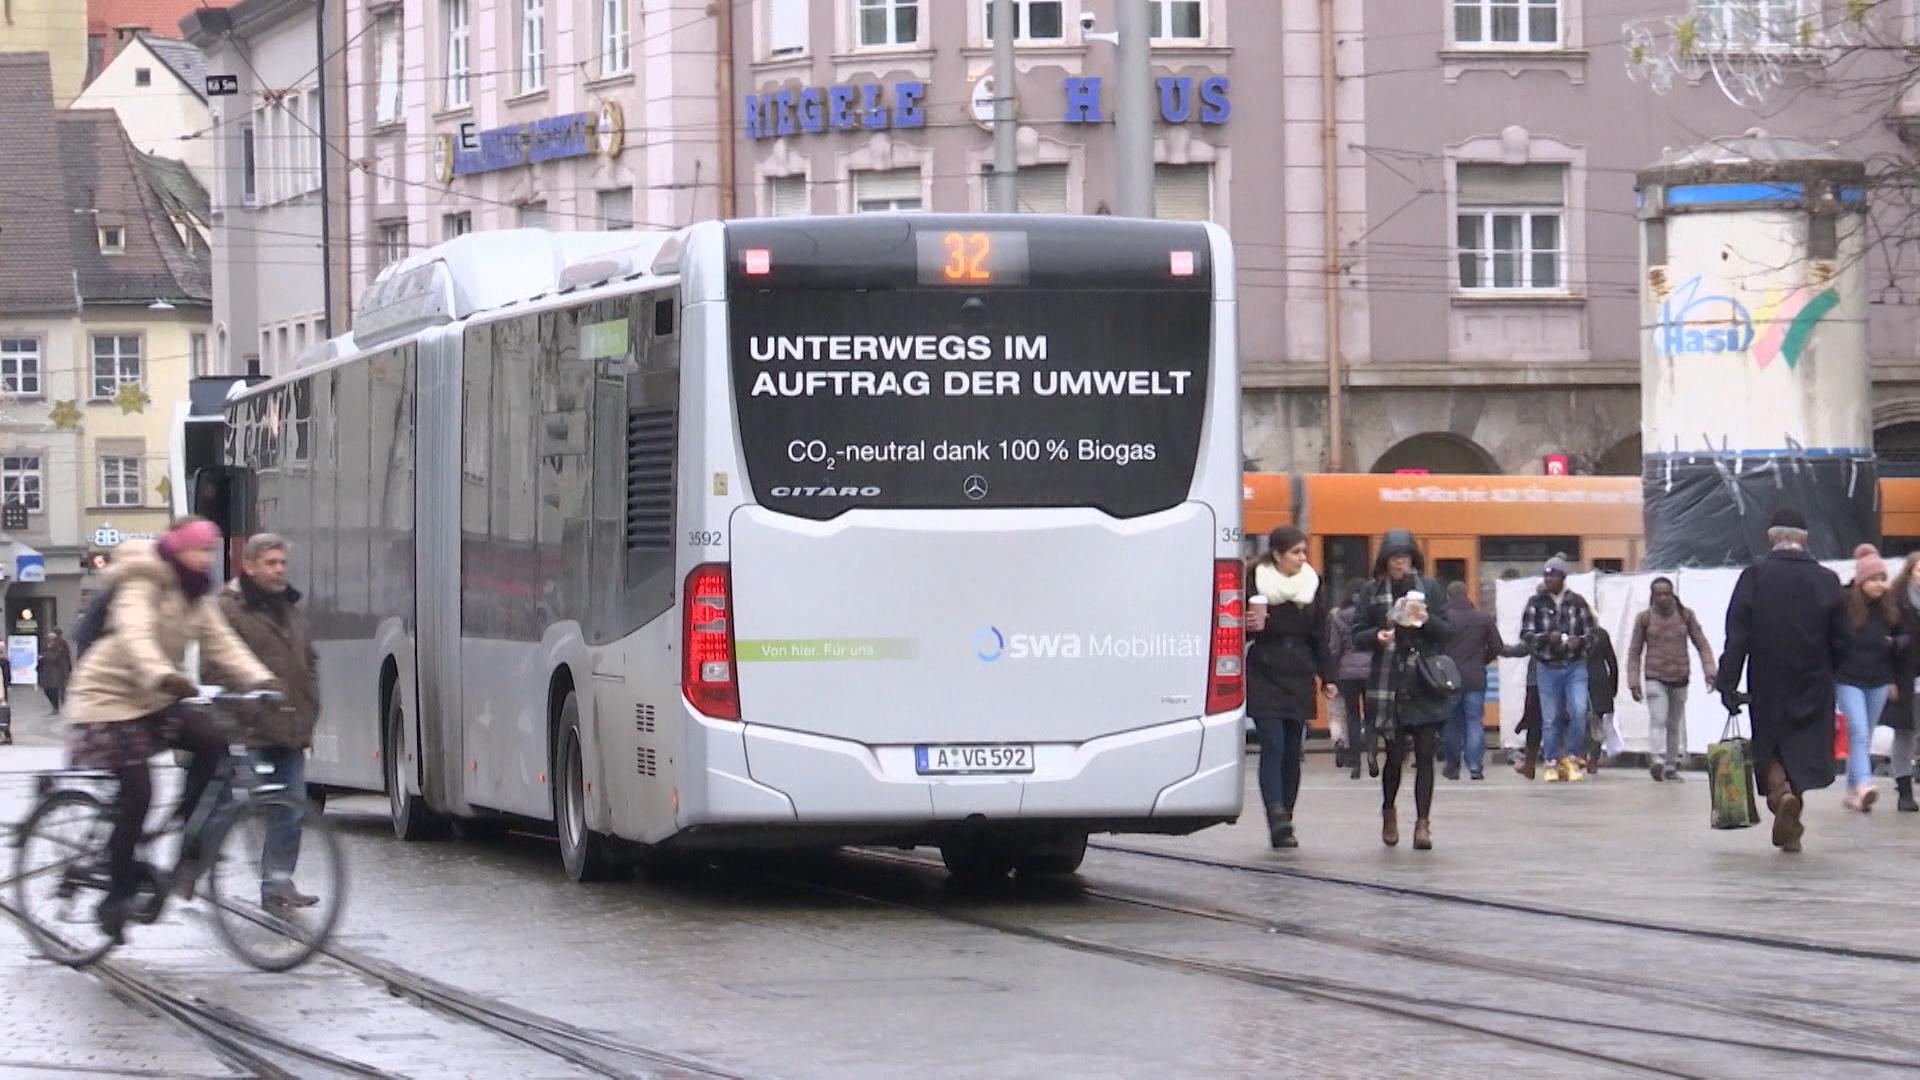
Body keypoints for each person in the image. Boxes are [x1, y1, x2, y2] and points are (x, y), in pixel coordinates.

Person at [62, 518, 277, 942]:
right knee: (139, 793)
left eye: (209, 551)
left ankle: (183, 830)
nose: (205, 559)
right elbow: (136, 636)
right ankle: (115, 897)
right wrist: (163, 673)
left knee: (213, 740)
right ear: (177, 550)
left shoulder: (195, 594)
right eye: (198, 550)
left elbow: (222, 643)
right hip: (107, 698)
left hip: (155, 696)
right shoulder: (142, 583)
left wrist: (261, 680)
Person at [1716, 508, 1849, 853]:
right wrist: (1833, 672)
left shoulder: (1754, 577)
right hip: (1814, 680)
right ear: (1805, 539)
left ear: (1770, 537)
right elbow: (1842, 639)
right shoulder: (1827, 580)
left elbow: (1737, 636)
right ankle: (1791, 825)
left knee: (1770, 748)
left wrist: (1727, 681)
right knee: (1802, 750)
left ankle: (1781, 796)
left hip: (1767, 679)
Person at [203, 533, 322, 909]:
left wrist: (310, 704)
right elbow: (215, 667)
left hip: (289, 728)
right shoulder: (229, 610)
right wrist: (248, 709)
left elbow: (308, 659)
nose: (279, 570)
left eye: (282, 563)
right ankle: (200, 865)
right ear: (249, 565)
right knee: (235, 807)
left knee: (290, 809)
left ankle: (278, 884)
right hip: (250, 729)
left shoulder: (288, 608)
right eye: (271, 563)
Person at [1358, 529, 1452, 851]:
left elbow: (1445, 633)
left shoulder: (1429, 588)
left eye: (1406, 558)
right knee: (1395, 756)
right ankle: (1389, 811)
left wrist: (1425, 619)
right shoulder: (1372, 591)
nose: (1401, 564)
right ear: (1384, 561)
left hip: (1423, 680)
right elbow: (1357, 634)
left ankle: (1423, 824)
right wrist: (1377, 636)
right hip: (1389, 682)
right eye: (1395, 558)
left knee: (1425, 754)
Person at [1244, 527, 1334, 849]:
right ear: (1277, 554)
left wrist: (1329, 676)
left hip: (1298, 671)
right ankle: (1276, 816)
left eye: (1303, 552)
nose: (1302, 558)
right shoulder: (1254, 580)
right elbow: (1230, 623)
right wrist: (1246, 625)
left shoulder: (1311, 583)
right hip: (1265, 669)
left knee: (1293, 752)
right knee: (1274, 746)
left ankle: (1287, 816)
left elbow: (1320, 634)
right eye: (1295, 552)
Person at [1627, 577, 1718, 782]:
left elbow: (1702, 644)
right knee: (1658, 717)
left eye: (1666, 593)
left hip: (1680, 677)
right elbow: (1634, 651)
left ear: (1672, 593)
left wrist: (1710, 671)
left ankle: (1670, 765)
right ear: (1652, 595)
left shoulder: (1686, 616)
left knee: (1674, 723)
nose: (1663, 597)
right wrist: (1633, 681)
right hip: (1654, 676)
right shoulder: (1645, 618)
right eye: (1658, 594)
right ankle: (1657, 758)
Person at [1835, 544, 1904, 813]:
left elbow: (1903, 638)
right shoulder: (1844, 603)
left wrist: (1894, 673)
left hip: (1878, 679)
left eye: (1882, 579)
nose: (1879, 584)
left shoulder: (1888, 608)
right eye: (1873, 579)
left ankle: (1852, 792)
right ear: (1861, 580)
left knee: (1863, 734)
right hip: (1848, 678)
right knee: (1859, 732)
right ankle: (1864, 784)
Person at [1520, 556, 1595, 783]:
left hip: (1575, 666)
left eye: (1553, 575)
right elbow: (1526, 634)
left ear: (1563, 578)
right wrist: (1546, 639)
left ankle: (1572, 758)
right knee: (1550, 718)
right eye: (1546, 575)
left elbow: (1592, 634)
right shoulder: (1535, 602)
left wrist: (1579, 642)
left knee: (1579, 711)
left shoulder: (1578, 602)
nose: (1549, 579)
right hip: (1548, 666)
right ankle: (1551, 761)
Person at [1440, 581, 1503, 781]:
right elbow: (1496, 646)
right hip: (1475, 677)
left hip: (1449, 678)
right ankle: (1475, 766)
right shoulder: (1482, 618)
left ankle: (1452, 766)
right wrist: (1481, 660)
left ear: (1448, 596)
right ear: (1467, 594)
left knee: (1451, 723)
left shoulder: (1442, 618)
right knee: (1474, 721)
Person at [1884, 552, 1920, 813]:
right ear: (1909, 572)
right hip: (1904, 675)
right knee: (1905, 733)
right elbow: (1884, 641)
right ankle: (1904, 790)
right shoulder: (1896, 602)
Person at [1328, 580, 1375, 778]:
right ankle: (1372, 755)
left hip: (1347, 672)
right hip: (1371, 670)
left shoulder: (1338, 616)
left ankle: (1355, 764)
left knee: (1352, 716)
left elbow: (1334, 647)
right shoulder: (1372, 615)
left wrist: (1332, 672)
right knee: (1371, 717)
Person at [1583, 624, 1620, 774]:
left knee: (1593, 721)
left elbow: (1611, 662)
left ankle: (1591, 759)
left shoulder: (1599, 634)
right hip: (1593, 681)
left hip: (1596, 682)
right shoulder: (1600, 634)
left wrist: (1612, 686)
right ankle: (1589, 759)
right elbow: (1612, 662)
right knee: (1592, 721)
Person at [38, 628, 71, 713]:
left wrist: (44, 657)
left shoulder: (61, 643)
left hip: (57, 669)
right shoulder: (45, 643)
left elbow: (60, 656)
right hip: (47, 669)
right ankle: (57, 705)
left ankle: (58, 706)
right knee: (50, 689)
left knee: (56, 688)